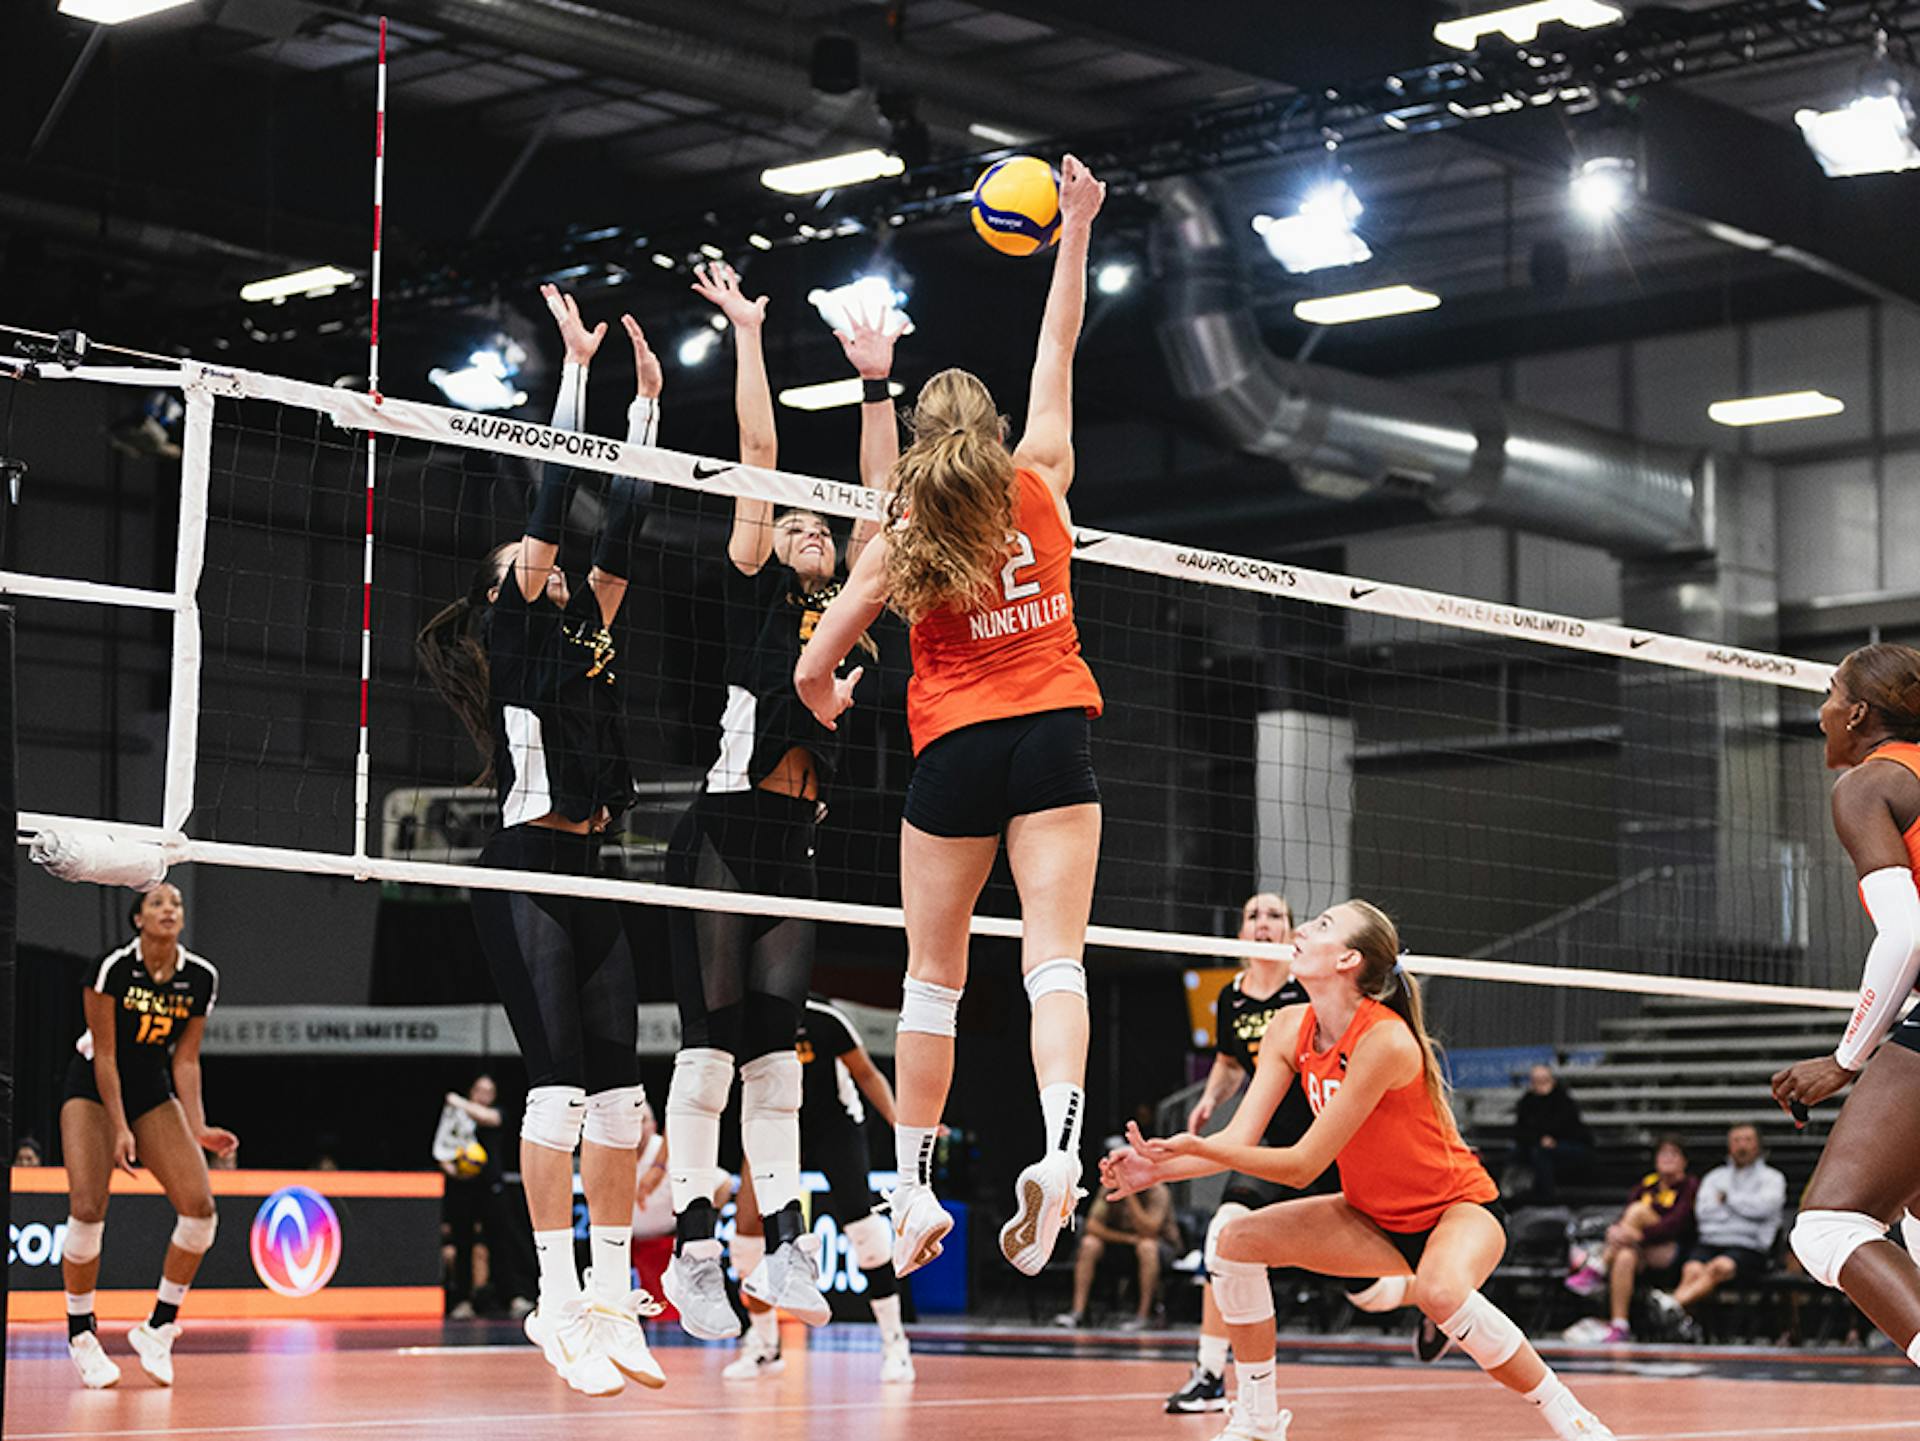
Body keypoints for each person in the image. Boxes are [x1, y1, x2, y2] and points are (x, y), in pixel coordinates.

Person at [795, 153, 1108, 1285]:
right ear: (994, 426)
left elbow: (813, 667)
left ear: (924, 442)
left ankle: (914, 1187)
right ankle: (1060, 1152)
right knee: (1054, 964)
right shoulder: (1042, 477)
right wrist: (1077, 227)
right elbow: (1059, 341)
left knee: (934, 978)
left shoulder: (899, 533)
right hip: (1054, 731)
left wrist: (831, 699)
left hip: (953, 754)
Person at [1101, 900, 1615, 1441]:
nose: (1301, 929)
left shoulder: (1384, 1040)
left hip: (1457, 1210)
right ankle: (1256, 1420)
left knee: (1440, 1293)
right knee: (1232, 1243)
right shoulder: (1287, 1028)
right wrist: (1154, 1171)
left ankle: (1574, 1418)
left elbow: (1303, 1165)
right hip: (1373, 1214)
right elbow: (1236, 1139)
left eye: (1322, 925)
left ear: (1348, 959)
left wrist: (1199, 1152)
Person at [416, 284, 664, 1396]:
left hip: (590, 865)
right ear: (507, 582)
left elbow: (627, 520)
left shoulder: (585, 627)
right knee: (557, 1091)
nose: (555, 563)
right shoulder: (514, 621)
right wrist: (575, 372)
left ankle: (610, 1296)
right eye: (534, 557)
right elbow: (559, 493)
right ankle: (553, 1297)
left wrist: (646, 407)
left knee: (619, 1099)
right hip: (520, 870)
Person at [659, 263, 893, 1342]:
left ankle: (789, 1244)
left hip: (795, 840)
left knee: (776, 1056)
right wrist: (749, 333)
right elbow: (759, 451)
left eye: (816, 525)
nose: (807, 529)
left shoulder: (854, 606)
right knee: (710, 1048)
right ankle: (694, 1251)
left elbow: (880, 498)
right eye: (793, 523)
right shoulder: (756, 581)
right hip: (721, 825)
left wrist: (875, 384)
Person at [1169, 892, 1419, 1412]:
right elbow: (1229, 1061)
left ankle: (1430, 1294)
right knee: (1224, 1234)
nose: (1264, 924)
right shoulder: (1231, 997)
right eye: (1253, 915)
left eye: (1275, 916)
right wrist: (1210, 1100)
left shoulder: (1307, 990)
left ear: (1288, 931)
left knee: (1367, 1293)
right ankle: (1210, 1373)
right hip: (1271, 1144)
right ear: (1241, 932)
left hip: (1331, 1146)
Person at [1770, 643, 1920, 1372]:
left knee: (1828, 1226)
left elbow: (1908, 934)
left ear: (1858, 713)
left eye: (1830, 694)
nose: (1822, 710)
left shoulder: (1868, 783)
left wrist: (1844, 1059)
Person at [59, 884, 236, 1390]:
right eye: (158, 903)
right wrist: (119, 1128)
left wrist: (197, 1127)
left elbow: (186, 1060)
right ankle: (81, 1334)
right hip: (94, 1084)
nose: (169, 910)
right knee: (88, 1208)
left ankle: (157, 1328)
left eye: (176, 903)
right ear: (138, 918)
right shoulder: (112, 968)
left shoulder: (200, 977)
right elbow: (106, 1055)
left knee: (200, 1211)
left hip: (151, 1088)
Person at [726, 995, 915, 1382]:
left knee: (864, 1231)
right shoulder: (746, 1021)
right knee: (745, 1238)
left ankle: (895, 1343)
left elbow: (866, 1074)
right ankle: (765, 1346)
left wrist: (899, 1123)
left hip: (834, 1126)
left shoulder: (825, 1020)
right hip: (775, 1126)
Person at [1649, 1123, 1785, 1341]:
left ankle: (1672, 1304)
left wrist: (1728, 1201)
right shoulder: (1714, 1178)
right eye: (1736, 1140)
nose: (1742, 1146)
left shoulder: (1773, 1178)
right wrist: (1742, 1213)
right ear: (1729, 1146)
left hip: (1750, 1246)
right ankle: (1681, 1325)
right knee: (1692, 1269)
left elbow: (1764, 1208)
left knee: (1719, 1267)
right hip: (1711, 1241)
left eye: (1747, 1140)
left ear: (1758, 1145)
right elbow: (1704, 1212)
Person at [1564, 1135, 1695, 1343]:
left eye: (1673, 1154)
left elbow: (1677, 1223)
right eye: (1663, 1154)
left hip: (1671, 1247)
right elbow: (1624, 1218)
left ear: (1684, 1161)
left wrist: (1641, 1235)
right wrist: (1616, 1231)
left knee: (1638, 1211)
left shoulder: (1689, 1186)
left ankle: (1599, 1265)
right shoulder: (1646, 1185)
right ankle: (1620, 1324)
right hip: (1638, 1247)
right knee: (1625, 1255)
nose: (1667, 1159)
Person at [1054, 1164, 1175, 1331]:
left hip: (1159, 1248)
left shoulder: (1157, 1191)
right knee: (1089, 1244)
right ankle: (1078, 1312)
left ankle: (1144, 1315)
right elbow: (1092, 1226)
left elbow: (1149, 1231)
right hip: (1123, 1244)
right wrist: (1128, 1239)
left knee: (1146, 1247)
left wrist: (1129, 1194)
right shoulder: (1109, 1189)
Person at [434, 1075, 505, 1319]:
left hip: (490, 1187)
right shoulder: (456, 1118)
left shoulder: (494, 1113)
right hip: (463, 1188)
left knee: (499, 1242)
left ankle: (509, 1296)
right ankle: (462, 1300)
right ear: (472, 1090)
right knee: (462, 1243)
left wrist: (459, 1102)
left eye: (488, 1092)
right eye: (479, 1090)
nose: (483, 1095)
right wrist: (453, 1170)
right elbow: (441, 1149)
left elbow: (490, 1118)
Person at [1512, 1064, 1592, 1203]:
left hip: (1568, 1143)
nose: (1541, 1084)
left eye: (1544, 1080)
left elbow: (1573, 1128)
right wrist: (1539, 1139)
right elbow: (1520, 1131)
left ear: (1552, 1080)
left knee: (1541, 1153)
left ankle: (1547, 1197)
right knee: (1517, 1152)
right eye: (1536, 1081)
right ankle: (1513, 1194)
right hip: (1537, 1144)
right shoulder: (1526, 1102)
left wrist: (1553, 1139)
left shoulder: (1563, 1100)